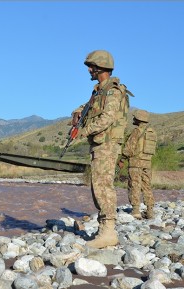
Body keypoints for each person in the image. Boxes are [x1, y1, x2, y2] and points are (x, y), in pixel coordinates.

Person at [71, 50, 132, 248]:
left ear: (100, 68)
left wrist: (83, 132)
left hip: (107, 144)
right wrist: (78, 112)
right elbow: (86, 108)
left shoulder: (113, 91)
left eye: (92, 67)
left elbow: (107, 119)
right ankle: (104, 228)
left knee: (102, 186)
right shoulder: (99, 91)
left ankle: (108, 232)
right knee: (97, 185)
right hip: (100, 144)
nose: (89, 70)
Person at [119, 110, 157, 219]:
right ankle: (150, 211)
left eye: (135, 118)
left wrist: (122, 159)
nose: (133, 119)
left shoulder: (137, 131)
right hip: (147, 163)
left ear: (139, 119)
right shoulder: (152, 132)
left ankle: (136, 211)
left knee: (134, 185)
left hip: (136, 163)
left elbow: (129, 148)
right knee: (147, 186)